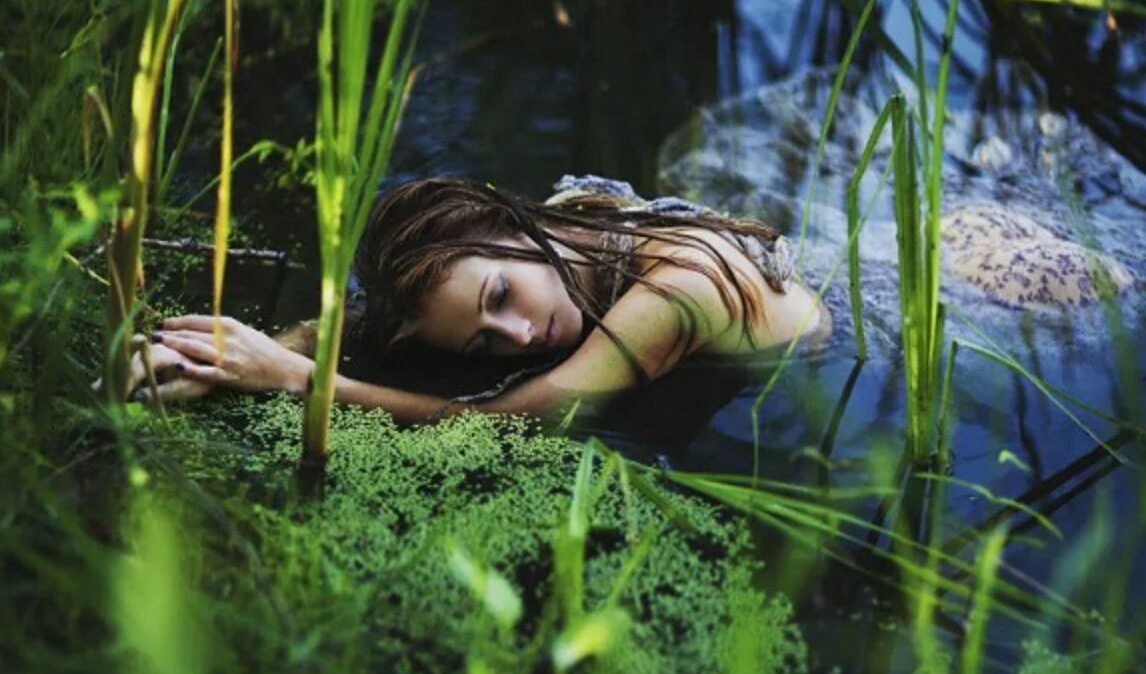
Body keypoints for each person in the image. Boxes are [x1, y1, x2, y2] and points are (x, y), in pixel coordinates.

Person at [129, 175, 827, 422]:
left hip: (849, 344)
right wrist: (226, 356)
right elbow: (371, 324)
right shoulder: (562, 232)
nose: (521, 335)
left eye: (502, 294)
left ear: (512, 226)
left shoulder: (680, 289)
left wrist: (297, 382)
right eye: (485, 339)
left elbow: (522, 417)